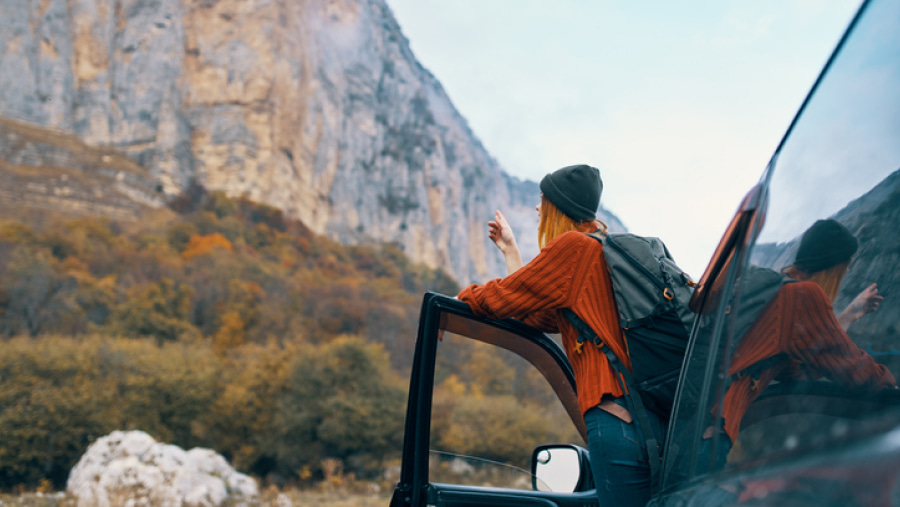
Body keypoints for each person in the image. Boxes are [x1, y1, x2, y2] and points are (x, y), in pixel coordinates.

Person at [458, 164, 665, 507]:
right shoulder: (601, 251)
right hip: (649, 422)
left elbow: (500, 298)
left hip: (614, 420)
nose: (538, 208)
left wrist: (453, 305)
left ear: (559, 206)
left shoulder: (573, 248)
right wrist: (511, 251)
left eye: (543, 199)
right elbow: (536, 314)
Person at [708, 219, 896, 469]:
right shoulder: (803, 295)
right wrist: (891, 387)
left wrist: (849, 315)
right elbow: (850, 367)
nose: (848, 271)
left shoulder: (781, 291)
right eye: (846, 265)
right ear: (834, 265)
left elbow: (800, 370)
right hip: (712, 433)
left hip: (705, 426)